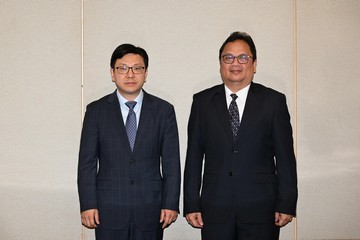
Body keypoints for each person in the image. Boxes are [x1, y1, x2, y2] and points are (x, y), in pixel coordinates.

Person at [183, 32, 298, 240]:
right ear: (220, 64)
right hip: (214, 209)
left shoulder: (273, 102)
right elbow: (193, 158)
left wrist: (287, 202)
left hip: (262, 210)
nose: (235, 63)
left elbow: (285, 159)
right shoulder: (202, 102)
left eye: (243, 57)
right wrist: (191, 203)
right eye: (228, 58)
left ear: (254, 64)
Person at [77, 43, 181, 240]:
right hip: (107, 209)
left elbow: (171, 163)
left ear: (146, 73)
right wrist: (88, 204)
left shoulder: (163, 111)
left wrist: (170, 203)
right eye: (122, 68)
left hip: (151, 208)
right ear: (112, 73)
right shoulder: (96, 111)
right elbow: (87, 163)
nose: (130, 74)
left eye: (137, 68)